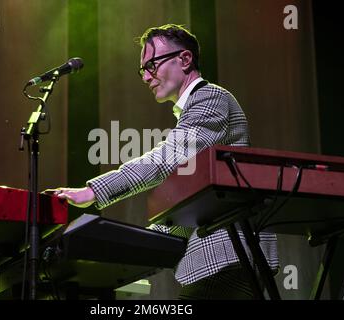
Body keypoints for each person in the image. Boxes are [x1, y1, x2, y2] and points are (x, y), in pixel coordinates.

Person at [46, 24, 279, 299]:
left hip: (228, 256)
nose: (146, 77)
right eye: (142, 69)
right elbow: (190, 199)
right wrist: (131, 248)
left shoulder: (211, 98)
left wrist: (93, 191)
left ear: (185, 59)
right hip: (223, 261)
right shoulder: (195, 113)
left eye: (152, 65)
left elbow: (164, 160)